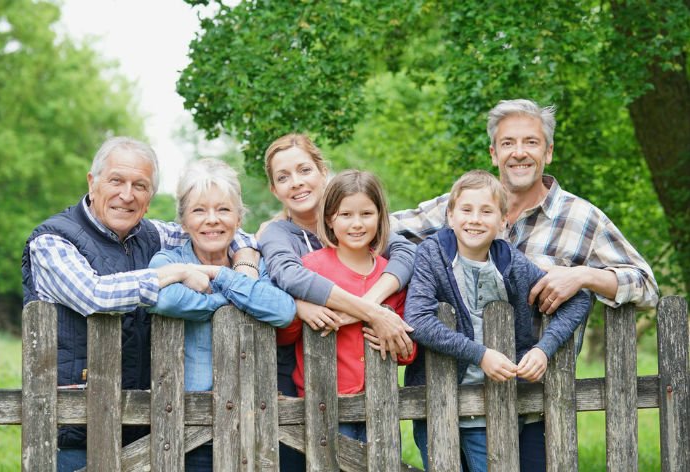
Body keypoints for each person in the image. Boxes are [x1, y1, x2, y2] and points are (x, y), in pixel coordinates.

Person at [21, 137, 257, 472]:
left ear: (150, 197)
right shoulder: (53, 241)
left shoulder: (153, 234)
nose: (127, 194)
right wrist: (171, 273)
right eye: (116, 180)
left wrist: (246, 258)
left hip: (147, 425)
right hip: (73, 428)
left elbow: (216, 227)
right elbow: (95, 296)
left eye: (140, 185)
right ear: (93, 181)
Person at [392, 98, 658, 343]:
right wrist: (373, 304)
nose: (519, 153)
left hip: (544, 384)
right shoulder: (458, 207)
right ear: (494, 153)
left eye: (531, 142)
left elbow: (646, 286)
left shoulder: (581, 218)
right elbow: (373, 231)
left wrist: (583, 276)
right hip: (453, 385)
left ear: (548, 152)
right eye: (507, 143)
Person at [404, 170, 589, 471]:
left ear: (503, 222)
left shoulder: (509, 261)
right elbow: (418, 318)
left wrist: (543, 349)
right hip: (437, 404)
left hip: (491, 408)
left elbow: (578, 300)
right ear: (450, 215)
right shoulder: (431, 255)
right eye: (466, 210)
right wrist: (481, 354)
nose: (475, 219)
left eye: (486, 211)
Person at [258, 133, 415, 469]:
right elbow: (288, 277)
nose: (296, 183)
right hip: (306, 378)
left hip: (375, 391)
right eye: (283, 177)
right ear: (274, 189)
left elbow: (404, 250)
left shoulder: (357, 218)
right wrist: (302, 307)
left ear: (322, 171)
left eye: (304, 170)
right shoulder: (278, 233)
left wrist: (369, 308)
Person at [147, 158, 296, 470]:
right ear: (184, 221)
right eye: (199, 210)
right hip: (189, 425)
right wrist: (233, 302)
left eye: (223, 210)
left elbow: (283, 310)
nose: (212, 220)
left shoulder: (257, 264)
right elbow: (163, 299)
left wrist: (219, 275)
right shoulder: (167, 261)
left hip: (258, 422)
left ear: (239, 218)